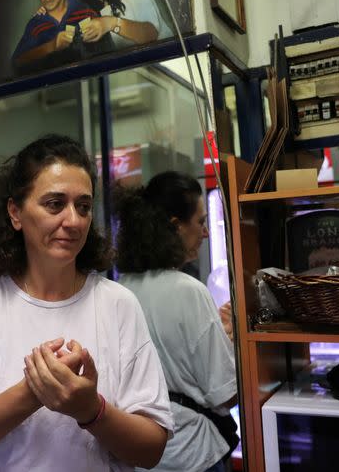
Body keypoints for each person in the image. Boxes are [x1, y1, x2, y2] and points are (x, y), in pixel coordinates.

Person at [0, 135, 173, 471]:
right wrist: (32, 393)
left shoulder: (117, 304)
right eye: (55, 204)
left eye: (83, 206)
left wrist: (92, 411)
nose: (73, 221)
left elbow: (151, 449)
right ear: (15, 212)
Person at [114, 171, 238, 472]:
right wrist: (231, 340)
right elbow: (225, 394)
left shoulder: (119, 290)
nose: (206, 232)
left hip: (141, 455)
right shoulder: (189, 291)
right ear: (175, 226)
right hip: (192, 454)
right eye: (200, 221)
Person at [12, 0, 111, 76]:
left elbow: (107, 54)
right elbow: (17, 63)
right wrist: (51, 46)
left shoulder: (86, 13)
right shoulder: (35, 23)